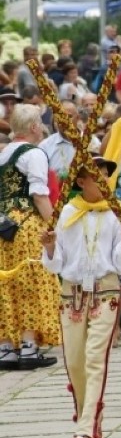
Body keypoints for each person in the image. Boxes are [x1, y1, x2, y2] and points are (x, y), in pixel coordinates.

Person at [41, 155, 121, 438]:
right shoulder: (67, 211)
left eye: (104, 175)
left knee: (95, 357)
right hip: (72, 293)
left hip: (105, 291)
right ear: (81, 181)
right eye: (94, 176)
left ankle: (84, 426)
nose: (101, 181)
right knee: (74, 361)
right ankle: (89, 414)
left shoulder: (116, 210)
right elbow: (56, 264)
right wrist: (48, 248)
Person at [0, 105, 60, 372]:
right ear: (35, 127)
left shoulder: (3, 155)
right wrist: (53, 227)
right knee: (31, 282)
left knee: (7, 285)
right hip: (25, 225)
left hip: (3, 226)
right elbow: (39, 194)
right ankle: (28, 346)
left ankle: (6, 349)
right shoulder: (34, 153)